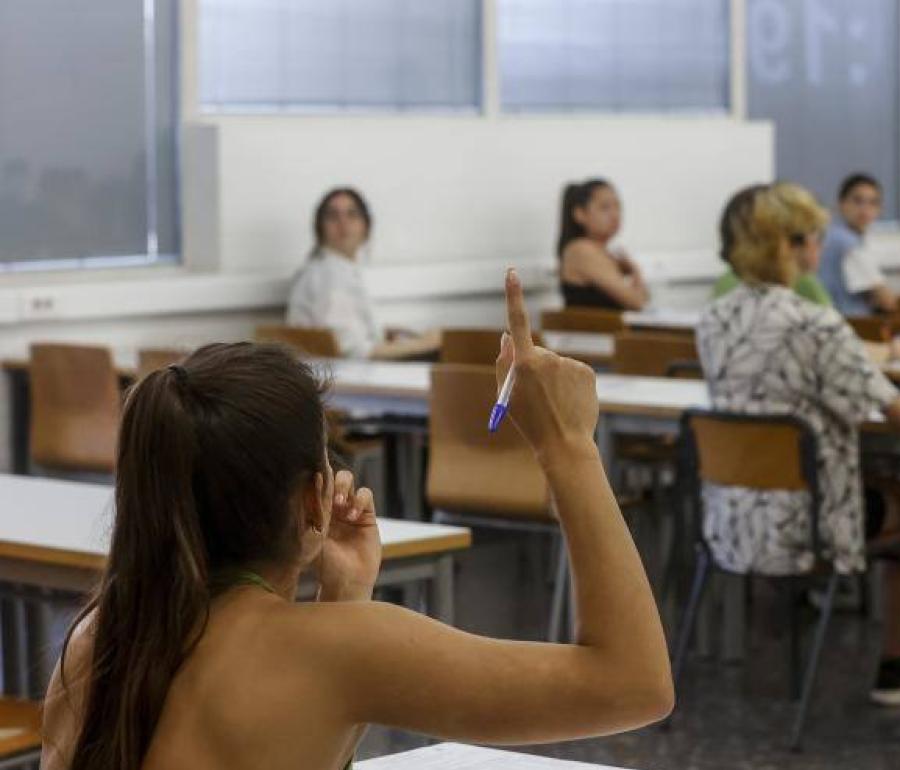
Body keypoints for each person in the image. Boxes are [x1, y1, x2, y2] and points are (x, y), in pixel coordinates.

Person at [40, 276, 674, 769]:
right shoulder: (334, 650)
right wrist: (568, 448)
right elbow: (634, 683)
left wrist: (342, 599)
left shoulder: (100, 636)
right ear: (313, 502)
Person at [698, 182, 900, 705]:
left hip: (730, 516)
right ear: (789, 245)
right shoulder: (816, 323)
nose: (820, 247)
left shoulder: (714, 318)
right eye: (813, 237)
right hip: (808, 525)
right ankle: (895, 666)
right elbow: (898, 414)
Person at [286, 188, 432, 360]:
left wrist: (382, 332)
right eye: (333, 216)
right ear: (320, 229)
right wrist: (428, 343)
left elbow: (345, 332)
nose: (343, 223)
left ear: (366, 227)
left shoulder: (332, 270)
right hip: (346, 379)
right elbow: (353, 351)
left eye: (352, 214)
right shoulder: (330, 276)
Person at [711, 183, 833, 306]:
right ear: (788, 245)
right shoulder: (808, 293)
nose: (821, 246)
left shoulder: (715, 309)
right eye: (818, 236)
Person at [557, 179, 649, 311]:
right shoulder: (581, 250)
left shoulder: (605, 252)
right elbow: (637, 303)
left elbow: (643, 299)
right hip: (593, 331)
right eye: (605, 207)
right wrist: (635, 270)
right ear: (580, 214)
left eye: (618, 207)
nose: (615, 215)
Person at [817, 174, 897, 316]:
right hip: (853, 324)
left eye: (873, 203)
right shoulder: (848, 244)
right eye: (857, 201)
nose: (865, 209)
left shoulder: (828, 235)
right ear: (841, 204)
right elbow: (886, 301)